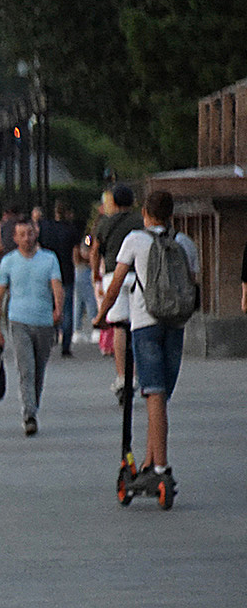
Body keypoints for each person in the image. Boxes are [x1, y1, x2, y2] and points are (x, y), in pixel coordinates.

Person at [96, 188, 199, 488]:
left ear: (145, 214)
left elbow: (116, 283)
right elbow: (192, 283)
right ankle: (149, 461)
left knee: (153, 393)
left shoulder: (135, 240)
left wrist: (102, 316)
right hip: (175, 323)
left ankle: (160, 468)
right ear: (171, 215)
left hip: (145, 323)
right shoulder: (185, 243)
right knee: (161, 395)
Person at [0, 217, 64, 436]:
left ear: (36, 234)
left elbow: (56, 285)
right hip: (18, 320)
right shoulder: (9, 261)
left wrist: (58, 308)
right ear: (14, 238)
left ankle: (34, 405)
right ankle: (29, 414)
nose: (26, 238)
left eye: (29, 233)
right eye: (21, 234)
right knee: (26, 369)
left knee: (39, 370)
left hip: (43, 321)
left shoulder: (49, 259)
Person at [92, 185, 143, 397]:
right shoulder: (140, 221)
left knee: (119, 327)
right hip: (137, 275)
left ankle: (123, 377)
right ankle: (138, 376)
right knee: (138, 326)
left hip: (113, 276)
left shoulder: (105, 223)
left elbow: (95, 250)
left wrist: (95, 273)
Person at [37, 199, 81, 356]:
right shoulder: (71, 230)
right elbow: (76, 254)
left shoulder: (45, 227)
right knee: (67, 308)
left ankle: (51, 336)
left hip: (47, 272)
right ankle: (66, 345)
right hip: (66, 271)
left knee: (48, 305)